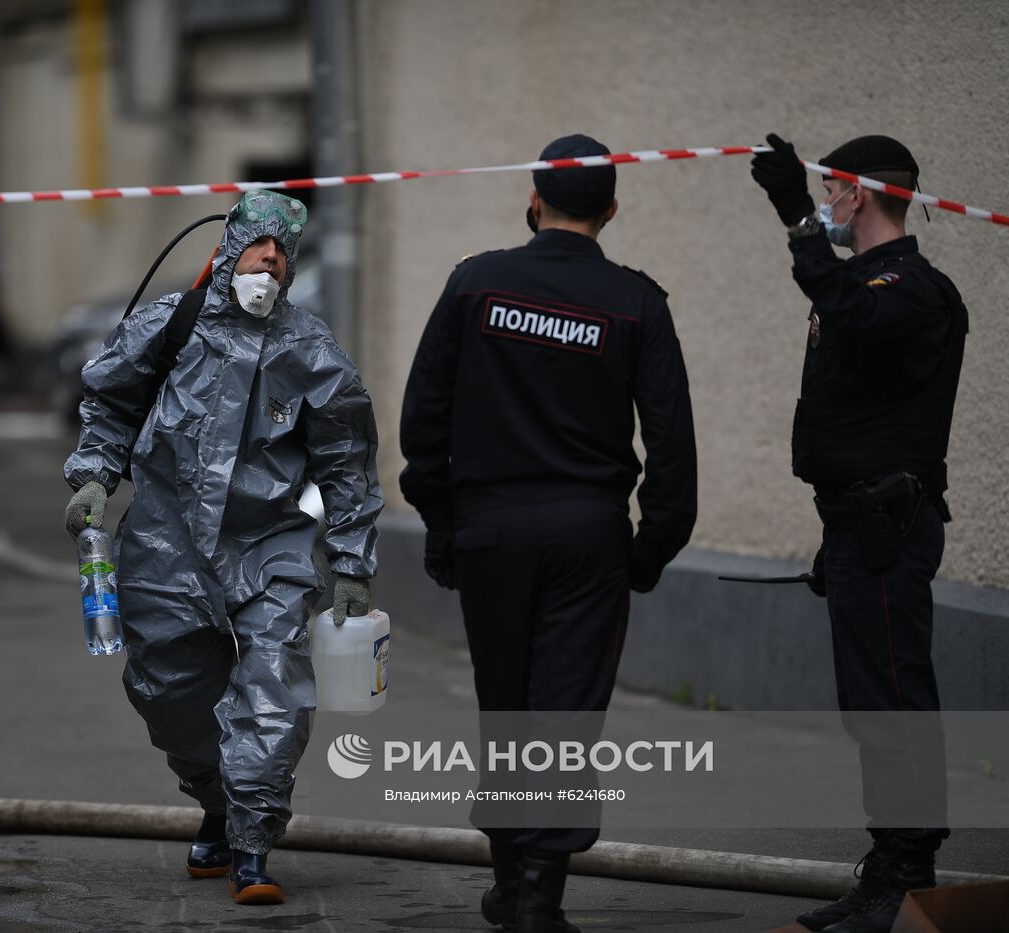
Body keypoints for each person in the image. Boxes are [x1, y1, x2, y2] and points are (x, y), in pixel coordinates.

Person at [399, 134, 698, 933]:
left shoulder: (475, 283)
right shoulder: (637, 303)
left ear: (532, 201)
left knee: (506, 704)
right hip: (587, 533)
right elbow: (671, 443)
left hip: (491, 529)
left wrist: (440, 518)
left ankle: (510, 878)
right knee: (565, 711)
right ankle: (537, 893)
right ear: (610, 208)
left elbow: (423, 412)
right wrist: (649, 548)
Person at [63, 190, 382, 905]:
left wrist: (354, 562)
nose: (269, 261)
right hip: (164, 544)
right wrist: (91, 476)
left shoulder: (309, 350)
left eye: (282, 252)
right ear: (229, 248)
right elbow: (110, 405)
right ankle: (217, 800)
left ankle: (252, 847)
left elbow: (346, 461)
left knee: (274, 693)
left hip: (269, 546)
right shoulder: (167, 324)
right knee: (168, 694)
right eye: (258, 246)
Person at [751, 134, 965, 933]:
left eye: (832, 193)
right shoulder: (867, 283)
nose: (827, 206)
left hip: (890, 524)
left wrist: (793, 218)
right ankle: (887, 862)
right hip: (855, 525)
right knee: (870, 703)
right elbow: (846, 307)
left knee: (894, 702)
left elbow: (853, 308)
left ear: (859, 194)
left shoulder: (915, 289)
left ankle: (908, 873)